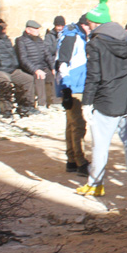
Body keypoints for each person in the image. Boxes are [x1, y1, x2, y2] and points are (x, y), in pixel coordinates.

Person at [78, 0, 127, 200]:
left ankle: (95, 185)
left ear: (95, 23)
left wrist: (86, 102)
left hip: (106, 103)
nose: (88, 26)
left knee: (100, 146)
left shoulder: (95, 44)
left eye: (89, 22)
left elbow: (93, 76)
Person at [56, 14, 91, 176]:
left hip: (74, 84)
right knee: (78, 124)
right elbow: (63, 63)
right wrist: (66, 89)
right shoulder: (72, 37)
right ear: (84, 25)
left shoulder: (74, 35)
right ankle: (80, 161)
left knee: (71, 123)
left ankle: (71, 159)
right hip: (73, 85)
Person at [0, 19, 36, 118]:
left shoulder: (7, 40)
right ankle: (6, 110)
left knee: (28, 79)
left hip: (11, 70)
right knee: (5, 82)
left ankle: (26, 105)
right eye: (1, 27)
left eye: (4, 27)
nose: (3, 29)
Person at [16, 20, 55, 109]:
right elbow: (23, 59)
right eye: (36, 29)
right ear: (28, 30)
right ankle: (42, 104)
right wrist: (35, 70)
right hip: (30, 69)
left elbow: (47, 55)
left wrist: (53, 67)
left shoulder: (39, 40)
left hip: (42, 66)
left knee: (54, 76)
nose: (38, 31)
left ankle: (56, 102)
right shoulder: (21, 41)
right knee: (39, 76)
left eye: (38, 29)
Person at [43, 15, 66, 106]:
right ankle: (56, 101)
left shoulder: (67, 34)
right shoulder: (49, 36)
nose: (60, 28)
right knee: (54, 76)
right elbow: (47, 52)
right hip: (52, 62)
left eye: (61, 26)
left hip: (63, 61)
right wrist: (53, 66)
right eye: (58, 26)